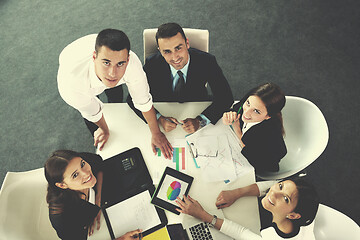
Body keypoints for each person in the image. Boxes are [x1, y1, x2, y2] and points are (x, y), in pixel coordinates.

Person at [57, 29, 172, 159]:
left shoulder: (131, 63)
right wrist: (104, 130)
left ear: (127, 60)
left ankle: (111, 91)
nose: (113, 72)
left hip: (98, 59)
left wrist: (156, 133)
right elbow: (93, 112)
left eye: (120, 64)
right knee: (92, 111)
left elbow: (143, 101)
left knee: (115, 92)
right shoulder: (72, 87)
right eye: (106, 63)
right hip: (77, 69)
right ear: (94, 57)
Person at [127, 22, 234, 134]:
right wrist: (158, 118)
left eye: (178, 48)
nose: (175, 57)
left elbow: (225, 97)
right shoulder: (153, 64)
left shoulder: (207, 61)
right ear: (160, 51)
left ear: (187, 43)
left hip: (196, 103)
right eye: (167, 51)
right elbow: (132, 98)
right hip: (164, 106)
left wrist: (200, 120)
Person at [44, 150, 142, 240]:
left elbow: (99, 163)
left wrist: (97, 200)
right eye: (75, 175)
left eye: (82, 164)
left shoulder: (78, 161)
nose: (86, 173)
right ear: (62, 185)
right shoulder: (63, 219)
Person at [176, 178, 319, 240]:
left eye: (285, 198)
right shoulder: (301, 212)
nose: (274, 192)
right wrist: (236, 193)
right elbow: (272, 184)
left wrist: (202, 215)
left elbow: (241, 233)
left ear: (293, 216)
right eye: (281, 186)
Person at [222, 83, 287, 173]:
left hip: (254, 166)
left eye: (256, 111)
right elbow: (237, 108)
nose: (246, 113)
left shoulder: (269, 136)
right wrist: (228, 116)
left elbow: (267, 165)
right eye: (248, 103)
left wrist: (237, 131)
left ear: (267, 116)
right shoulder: (251, 101)